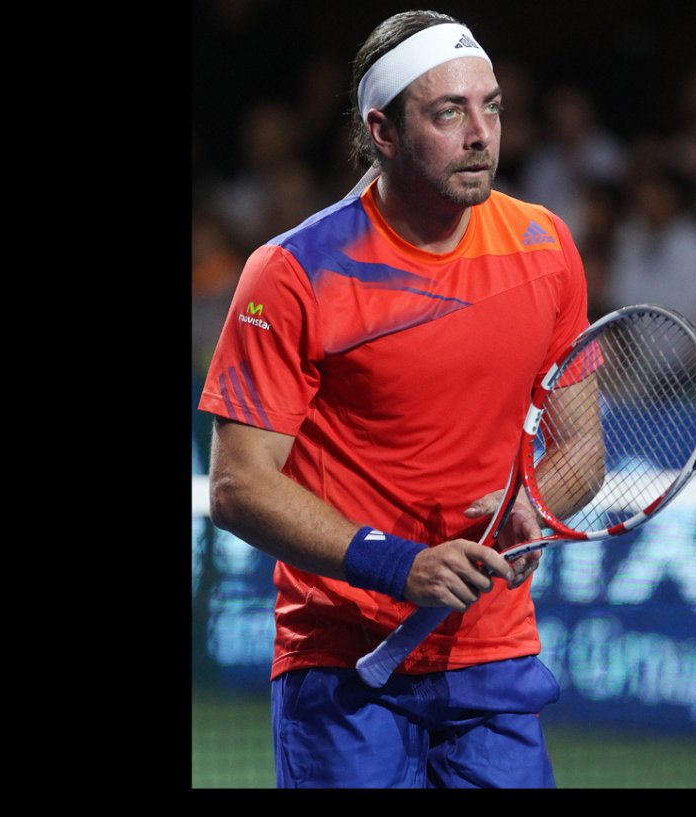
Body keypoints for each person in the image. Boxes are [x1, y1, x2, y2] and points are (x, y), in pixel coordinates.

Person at [198, 9, 591, 788]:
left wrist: (538, 502)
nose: (481, 134)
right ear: (382, 130)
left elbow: (583, 448)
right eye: (449, 112)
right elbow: (238, 484)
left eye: (491, 106)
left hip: (493, 660)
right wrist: (397, 564)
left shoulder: (546, 246)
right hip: (341, 670)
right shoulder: (291, 272)